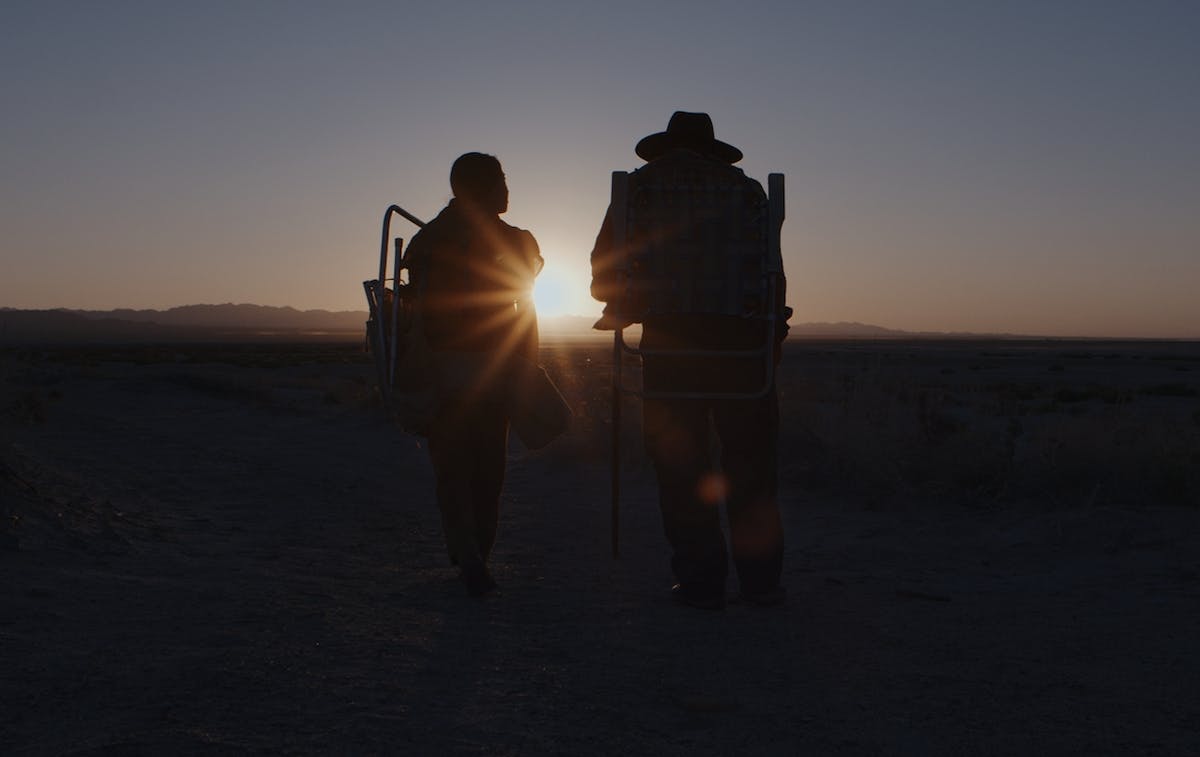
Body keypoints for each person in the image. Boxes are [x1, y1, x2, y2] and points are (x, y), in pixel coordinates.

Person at [590, 112, 790, 609]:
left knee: (680, 466)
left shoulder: (636, 191)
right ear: (711, 149)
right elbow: (771, 273)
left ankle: (700, 580)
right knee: (750, 465)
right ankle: (761, 583)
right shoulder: (747, 192)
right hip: (741, 346)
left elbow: (603, 276)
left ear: (663, 148)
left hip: (672, 344)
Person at [404, 152, 543, 595]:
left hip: (439, 370)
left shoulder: (427, 239)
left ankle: (468, 554)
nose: (507, 188)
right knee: (488, 470)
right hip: (492, 369)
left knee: (454, 470)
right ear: (482, 187)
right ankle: (475, 554)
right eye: (500, 180)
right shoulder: (515, 240)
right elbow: (530, 281)